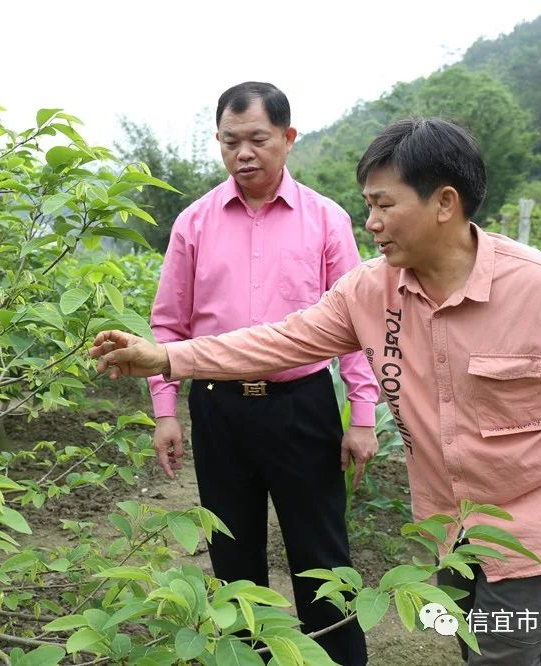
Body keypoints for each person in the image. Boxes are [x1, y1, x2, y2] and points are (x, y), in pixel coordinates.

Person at [92, 118, 541, 665]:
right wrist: (167, 357)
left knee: (511, 656)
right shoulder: (368, 292)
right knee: (474, 643)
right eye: (369, 205)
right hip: (450, 529)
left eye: (385, 205)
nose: (371, 223)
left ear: (444, 203)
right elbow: (281, 341)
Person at [146, 81, 379, 665]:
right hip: (219, 409)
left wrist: (364, 415)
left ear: (288, 138)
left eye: (257, 139)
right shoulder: (194, 223)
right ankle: (246, 658)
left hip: (301, 405)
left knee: (321, 551)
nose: (243, 153)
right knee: (232, 552)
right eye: (230, 142)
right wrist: (166, 411)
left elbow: (356, 324)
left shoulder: (326, 221)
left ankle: (340, 659)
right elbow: (168, 325)